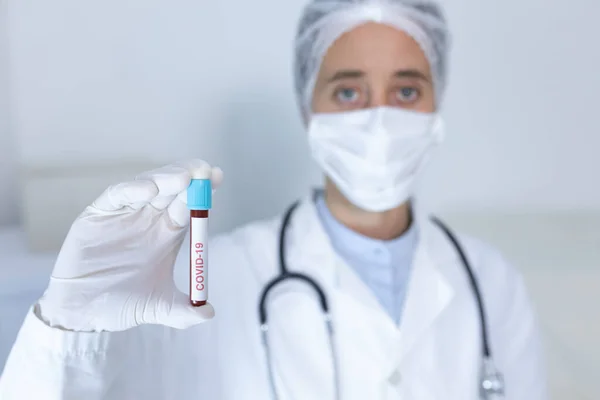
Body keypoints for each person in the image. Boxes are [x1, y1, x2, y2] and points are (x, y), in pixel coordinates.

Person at [0, 0, 548, 399]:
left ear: (436, 105)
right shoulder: (215, 281)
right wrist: (69, 329)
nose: (379, 120)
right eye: (348, 91)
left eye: (406, 90)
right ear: (308, 108)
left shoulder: (492, 282)